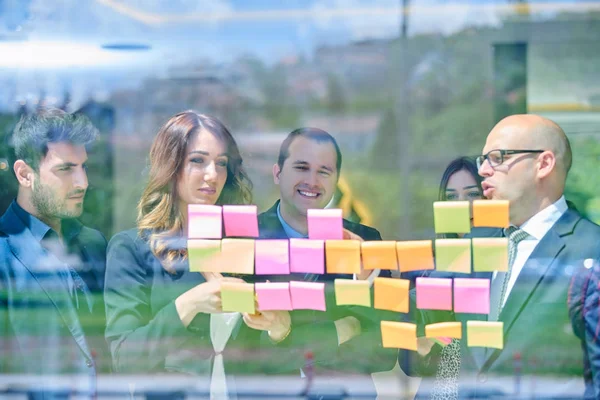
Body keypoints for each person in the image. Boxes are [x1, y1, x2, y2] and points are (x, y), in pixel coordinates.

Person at [103, 111, 289, 398]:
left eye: (221, 163)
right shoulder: (131, 249)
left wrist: (280, 330)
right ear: (171, 165)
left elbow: (275, 358)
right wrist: (188, 305)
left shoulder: (246, 246)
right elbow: (124, 359)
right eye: (198, 161)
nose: (212, 175)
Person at [419, 114, 600, 399]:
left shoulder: (591, 250)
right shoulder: (478, 242)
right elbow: (426, 303)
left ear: (543, 164)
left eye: (497, 157)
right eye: (483, 160)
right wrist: (369, 271)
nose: (483, 171)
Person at [253, 127, 397, 394]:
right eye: (301, 167)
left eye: (324, 171)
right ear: (277, 173)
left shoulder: (366, 241)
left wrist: (286, 334)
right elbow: (249, 353)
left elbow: (384, 352)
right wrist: (344, 329)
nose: (312, 180)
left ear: (336, 180)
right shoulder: (246, 240)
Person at [0, 108, 107, 397]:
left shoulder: (93, 243)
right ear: (24, 174)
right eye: (65, 169)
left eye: (83, 167)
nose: (82, 182)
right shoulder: (3, 252)